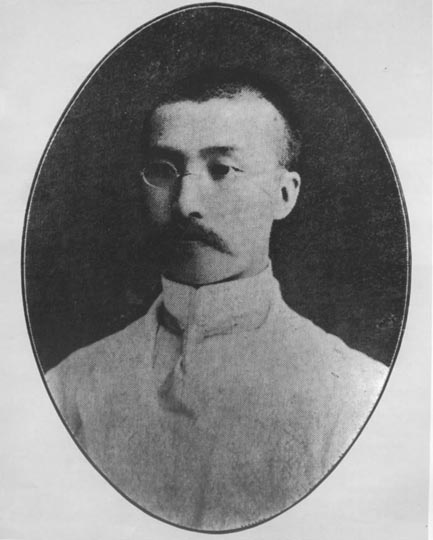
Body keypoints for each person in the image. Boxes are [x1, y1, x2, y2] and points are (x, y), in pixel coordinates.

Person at [46, 68, 387, 531]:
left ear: (284, 194)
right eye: (163, 170)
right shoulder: (68, 390)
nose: (186, 203)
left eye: (222, 169)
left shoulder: (357, 397)